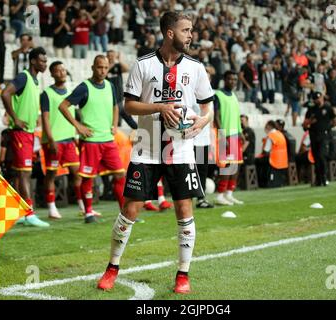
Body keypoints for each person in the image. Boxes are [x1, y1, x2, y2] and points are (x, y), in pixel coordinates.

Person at [97, 11, 214, 294]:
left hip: (183, 150)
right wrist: (160, 108)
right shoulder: (143, 65)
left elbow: (208, 108)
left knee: (184, 210)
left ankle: (182, 275)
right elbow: (129, 106)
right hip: (147, 148)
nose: (191, 35)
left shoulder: (196, 68)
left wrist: (201, 120)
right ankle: (112, 268)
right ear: (170, 33)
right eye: (186, 30)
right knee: (130, 210)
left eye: (192, 30)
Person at [59, 55, 126, 223]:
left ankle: (124, 213)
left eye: (105, 67)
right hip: (91, 141)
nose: (102, 71)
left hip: (108, 140)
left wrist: (115, 124)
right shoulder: (84, 87)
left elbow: (116, 106)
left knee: (120, 175)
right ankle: (88, 212)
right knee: (88, 177)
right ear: (92, 67)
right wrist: (78, 126)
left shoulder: (110, 86)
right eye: (99, 67)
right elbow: (63, 106)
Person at [1, 47, 50, 227]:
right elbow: (5, 93)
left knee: (22, 172)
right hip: (20, 133)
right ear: (33, 61)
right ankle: (29, 212)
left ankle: (22, 212)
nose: (44, 64)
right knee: (24, 172)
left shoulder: (35, 80)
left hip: (28, 133)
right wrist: (15, 118)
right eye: (42, 61)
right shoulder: (24, 77)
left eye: (45, 61)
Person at [40, 61, 84, 219]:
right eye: (57, 71)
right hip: (54, 141)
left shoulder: (71, 93)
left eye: (63, 70)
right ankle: (51, 208)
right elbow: (45, 118)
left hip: (69, 141)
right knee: (51, 174)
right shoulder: (46, 93)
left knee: (77, 174)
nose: (61, 73)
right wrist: (50, 139)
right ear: (52, 74)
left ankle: (83, 206)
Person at [214, 71, 244, 206]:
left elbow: (236, 116)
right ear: (224, 80)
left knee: (235, 166)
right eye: (230, 79)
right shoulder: (218, 95)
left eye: (235, 80)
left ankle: (229, 194)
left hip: (235, 134)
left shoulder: (234, 95)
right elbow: (216, 116)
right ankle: (220, 195)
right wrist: (221, 135)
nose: (233, 82)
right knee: (226, 166)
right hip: (224, 135)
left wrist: (241, 132)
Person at [303, 91, 336, 186]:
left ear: (322, 98)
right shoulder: (311, 110)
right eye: (315, 99)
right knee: (316, 158)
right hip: (314, 136)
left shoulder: (328, 108)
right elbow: (305, 124)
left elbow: (335, 122)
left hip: (324, 136)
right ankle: (318, 179)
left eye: (319, 98)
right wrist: (311, 121)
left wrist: (327, 126)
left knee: (322, 156)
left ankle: (324, 177)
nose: (317, 100)